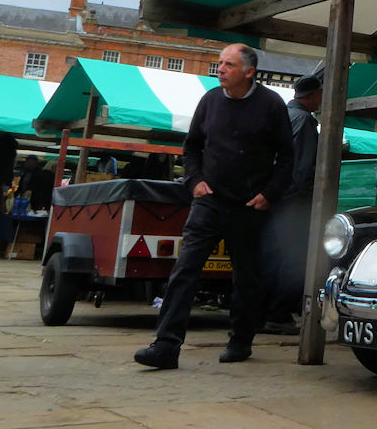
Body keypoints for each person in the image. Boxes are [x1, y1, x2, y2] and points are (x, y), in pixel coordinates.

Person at [134, 44, 292, 370]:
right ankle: (166, 346)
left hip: (250, 206)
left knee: (247, 276)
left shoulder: (271, 105)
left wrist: (271, 193)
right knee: (185, 269)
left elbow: (287, 157)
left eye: (228, 65)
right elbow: (191, 147)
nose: (220, 69)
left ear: (249, 72)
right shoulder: (209, 101)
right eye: (219, 63)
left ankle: (240, 340)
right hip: (209, 201)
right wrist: (194, 181)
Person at [261, 67, 324, 334]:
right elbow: (303, 167)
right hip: (294, 201)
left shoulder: (281, 116)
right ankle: (279, 313)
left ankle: (263, 312)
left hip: (272, 197)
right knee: (297, 258)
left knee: (272, 256)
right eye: (320, 94)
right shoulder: (306, 122)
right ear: (312, 96)